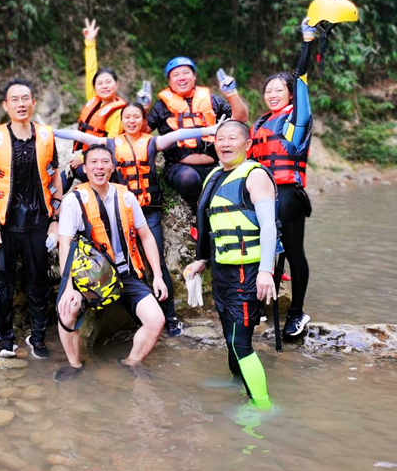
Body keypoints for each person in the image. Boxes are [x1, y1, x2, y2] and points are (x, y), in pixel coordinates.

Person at [55, 104, 225, 336]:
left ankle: (170, 316)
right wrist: (49, 132)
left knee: (157, 262)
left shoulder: (152, 142)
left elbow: (179, 134)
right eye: (127, 117)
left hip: (147, 210)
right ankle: (127, 312)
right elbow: (79, 135)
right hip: (118, 212)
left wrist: (212, 129)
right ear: (121, 121)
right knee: (113, 259)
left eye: (137, 117)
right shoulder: (112, 144)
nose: (132, 121)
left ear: (144, 121)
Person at [184, 119, 278, 409]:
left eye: (232, 138)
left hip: (247, 272)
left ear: (247, 144)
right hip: (223, 271)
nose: (224, 143)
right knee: (229, 334)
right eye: (220, 138)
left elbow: (269, 227)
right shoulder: (214, 174)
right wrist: (201, 261)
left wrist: (265, 271)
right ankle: (237, 381)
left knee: (241, 342)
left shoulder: (255, 175)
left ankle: (262, 406)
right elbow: (213, 226)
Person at [55, 145, 169, 381]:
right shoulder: (74, 200)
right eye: (93, 162)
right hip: (88, 276)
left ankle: (131, 361)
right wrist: (67, 288)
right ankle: (74, 365)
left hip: (125, 274)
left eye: (105, 162)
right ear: (84, 168)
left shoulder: (126, 196)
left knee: (156, 320)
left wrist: (157, 275)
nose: (99, 167)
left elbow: (146, 236)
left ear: (112, 166)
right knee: (66, 312)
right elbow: (64, 244)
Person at [0, 80, 63, 359]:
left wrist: (55, 218)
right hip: (4, 222)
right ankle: (5, 340)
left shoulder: (45, 137)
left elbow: (54, 179)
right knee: (2, 284)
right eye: (14, 99)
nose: (20, 104)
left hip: (38, 221)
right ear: (6, 105)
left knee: (37, 281)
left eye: (25, 98)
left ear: (33, 103)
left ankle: (37, 336)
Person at [146, 56, 249, 218]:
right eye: (176, 74)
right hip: (179, 167)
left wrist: (231, 93)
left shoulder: (212, 100)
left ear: (194, 76)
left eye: (186, 73)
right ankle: (199, 213)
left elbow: (241, 118)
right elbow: (142, 131)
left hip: (213, 164)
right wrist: (144, 108)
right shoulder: (161, 106)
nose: (181, 77)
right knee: (188, 178)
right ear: (169, 81)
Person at [65, 19, 126, 190]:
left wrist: (84, 159)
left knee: (76, 169)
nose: (104, 86)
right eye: (100, 83)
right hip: (86, 153)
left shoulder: (119, 112)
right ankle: (51, 209)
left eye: (108, 82)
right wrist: (90, 42)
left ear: (117, 85)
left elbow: (111, 142)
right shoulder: (93, 98)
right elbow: (91, 70)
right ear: (94, 87)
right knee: (65, 172)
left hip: (103, 160)